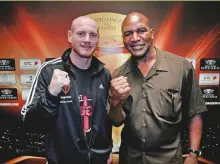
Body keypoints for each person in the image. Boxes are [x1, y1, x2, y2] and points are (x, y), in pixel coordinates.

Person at [108, 12, 207, 164]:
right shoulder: (118, 74)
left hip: (169, 159)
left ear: (152, 33)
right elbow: (116, 121)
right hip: (130, 158)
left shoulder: (181, 67)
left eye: (141, 30)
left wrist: (193, 154)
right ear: (123, 39)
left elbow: (195, 113)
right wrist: (115, 102)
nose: (135, 38)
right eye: (128, 33)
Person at [21, 16, 113, 164]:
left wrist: (107, 148)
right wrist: (51, 94)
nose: (87, 39)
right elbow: (30, 121)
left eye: (93, 35)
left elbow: (105, 120)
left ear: (98, 39)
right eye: (81, 33)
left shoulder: (105, 74)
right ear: (70, 36)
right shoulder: (49, 70)